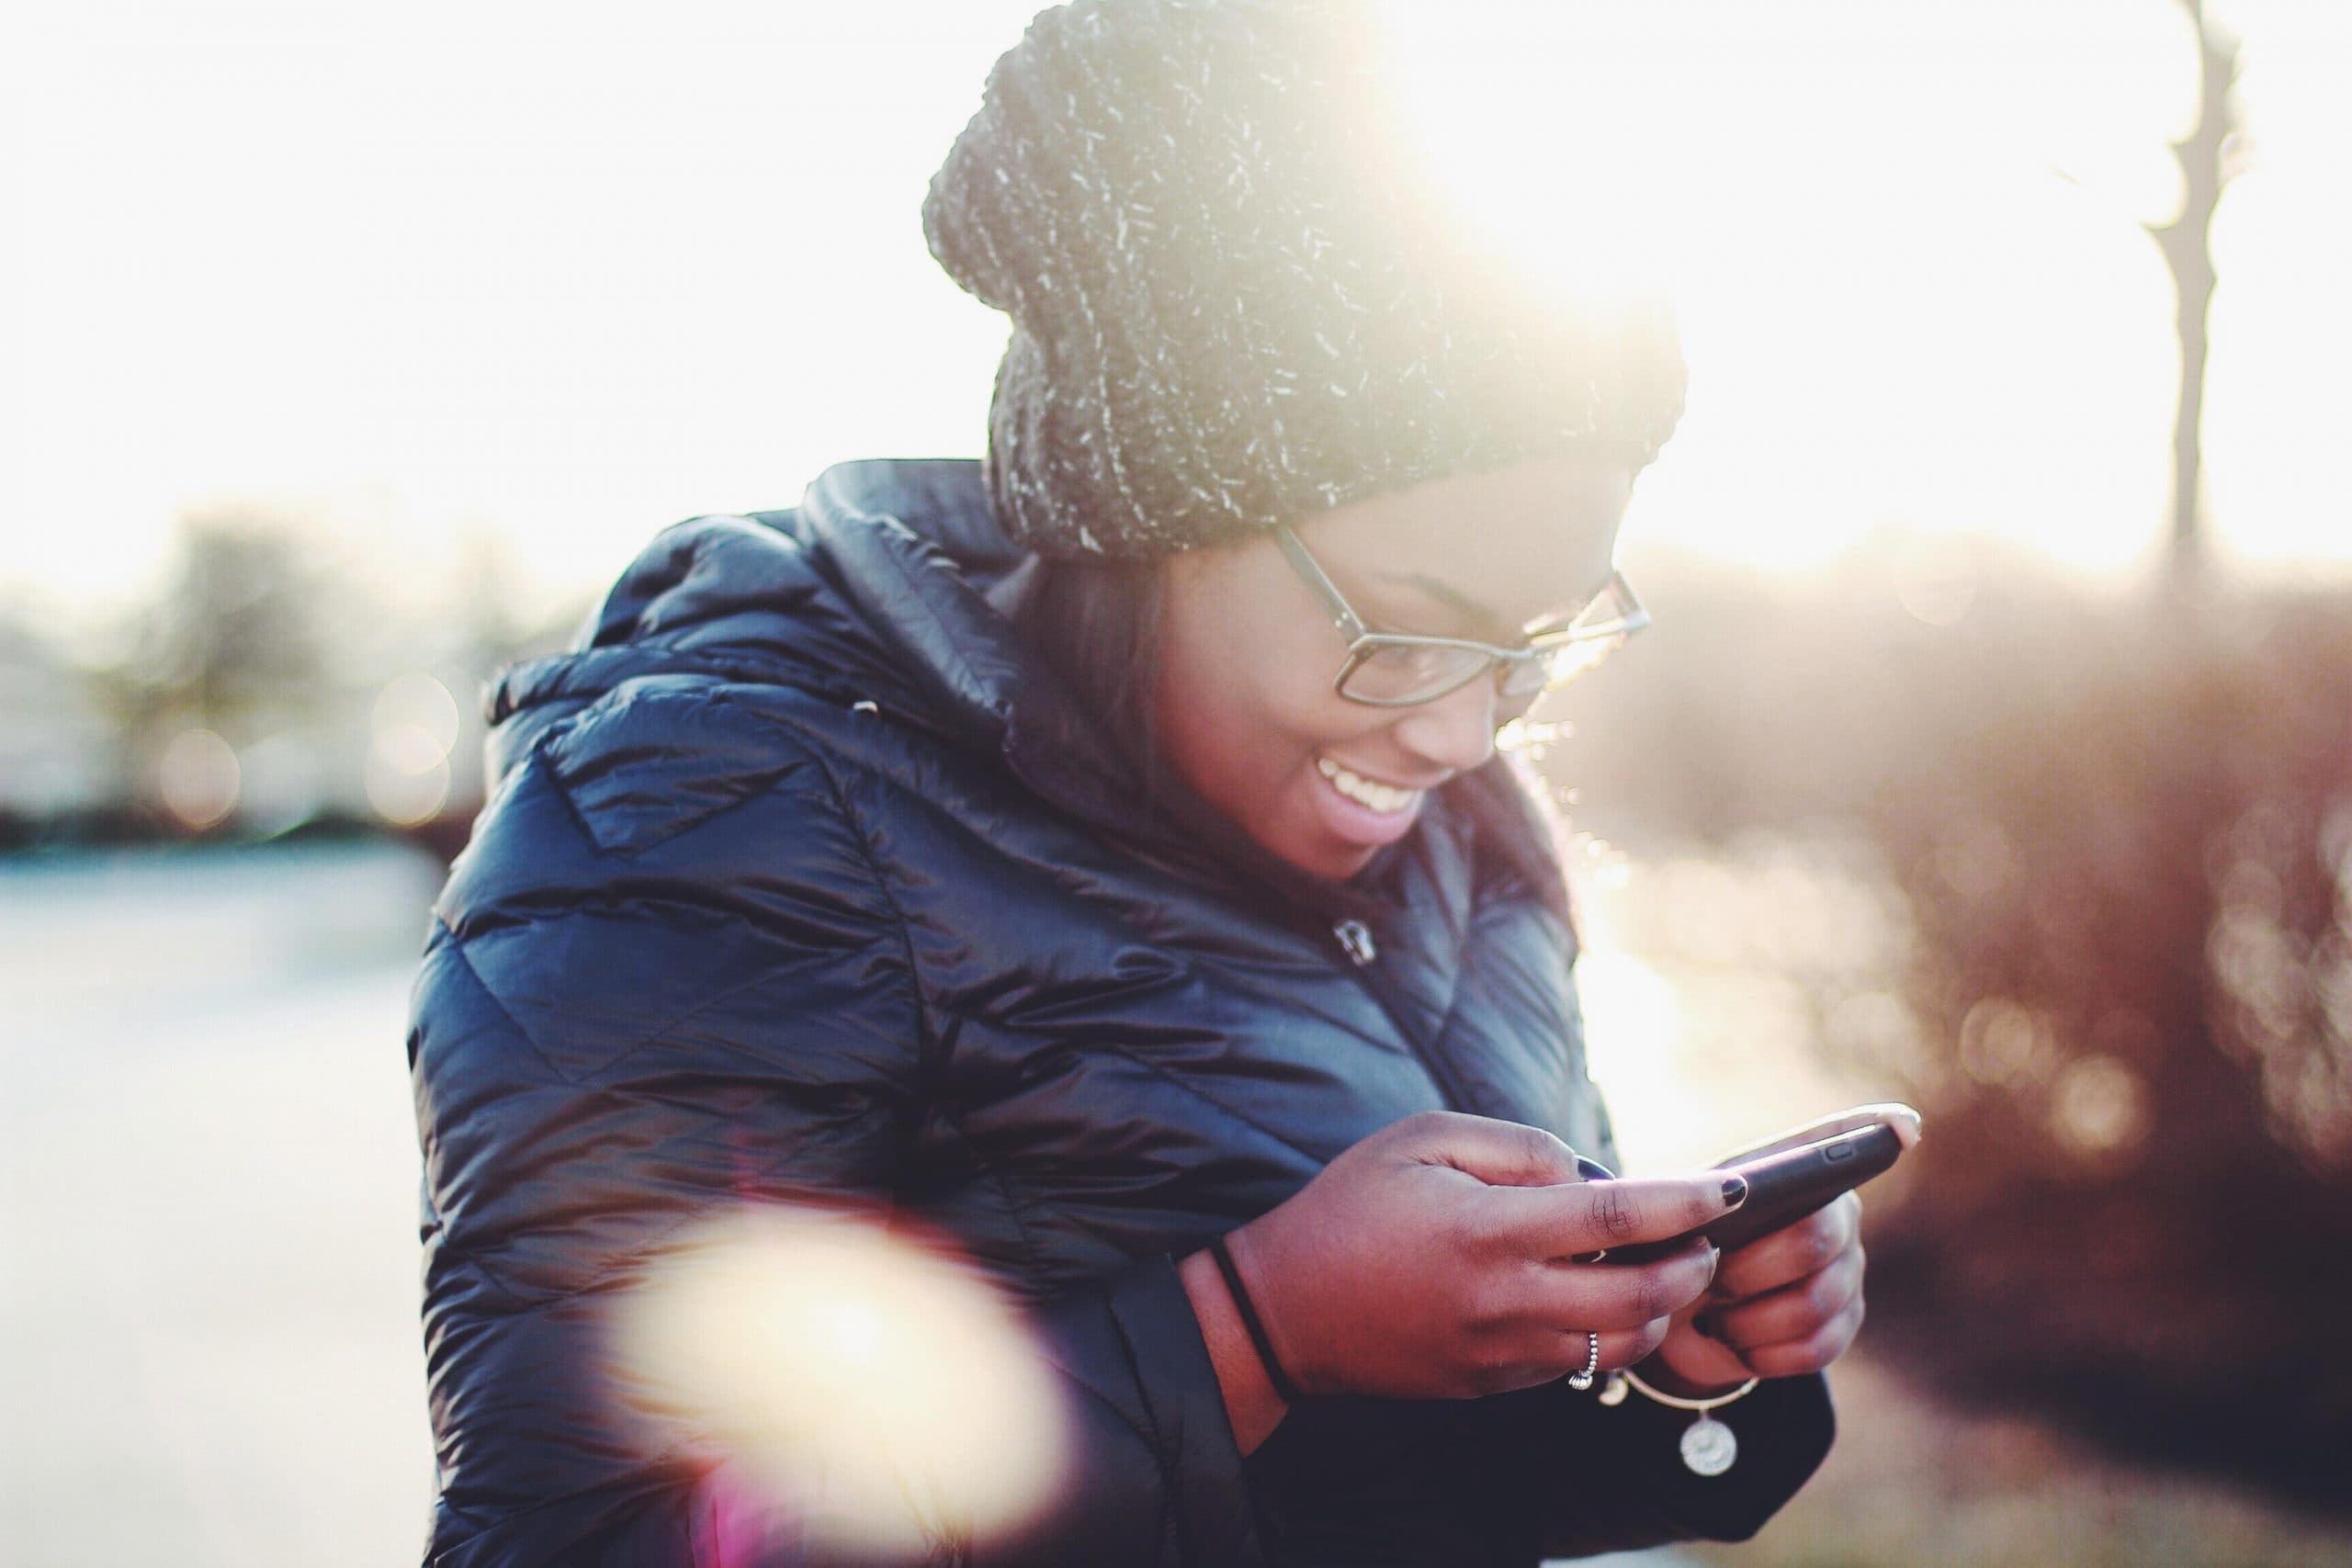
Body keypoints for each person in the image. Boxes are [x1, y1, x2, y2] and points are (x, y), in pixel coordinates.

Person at [408, 2, 1896, 1562]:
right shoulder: (711, 819)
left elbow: (1404, 1495)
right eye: (1411, 628)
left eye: (1538, 642)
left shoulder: (1455, 832)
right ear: (1150, 515)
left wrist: (1653, 1341)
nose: (1468, 734)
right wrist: (1246, 1336)